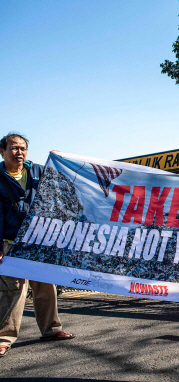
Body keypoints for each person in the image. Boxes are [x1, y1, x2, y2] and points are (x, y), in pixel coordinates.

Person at [0, 133, 74, 358]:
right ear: (2, 151)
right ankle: (4, 337)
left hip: (38, 241)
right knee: (13, 290)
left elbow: (63, 184)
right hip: (10, 242)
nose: (19, 152)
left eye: (23, 148)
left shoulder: (38, 172)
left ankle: (52, 329)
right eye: (14, 148)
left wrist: (61, 160)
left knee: (45, 287)